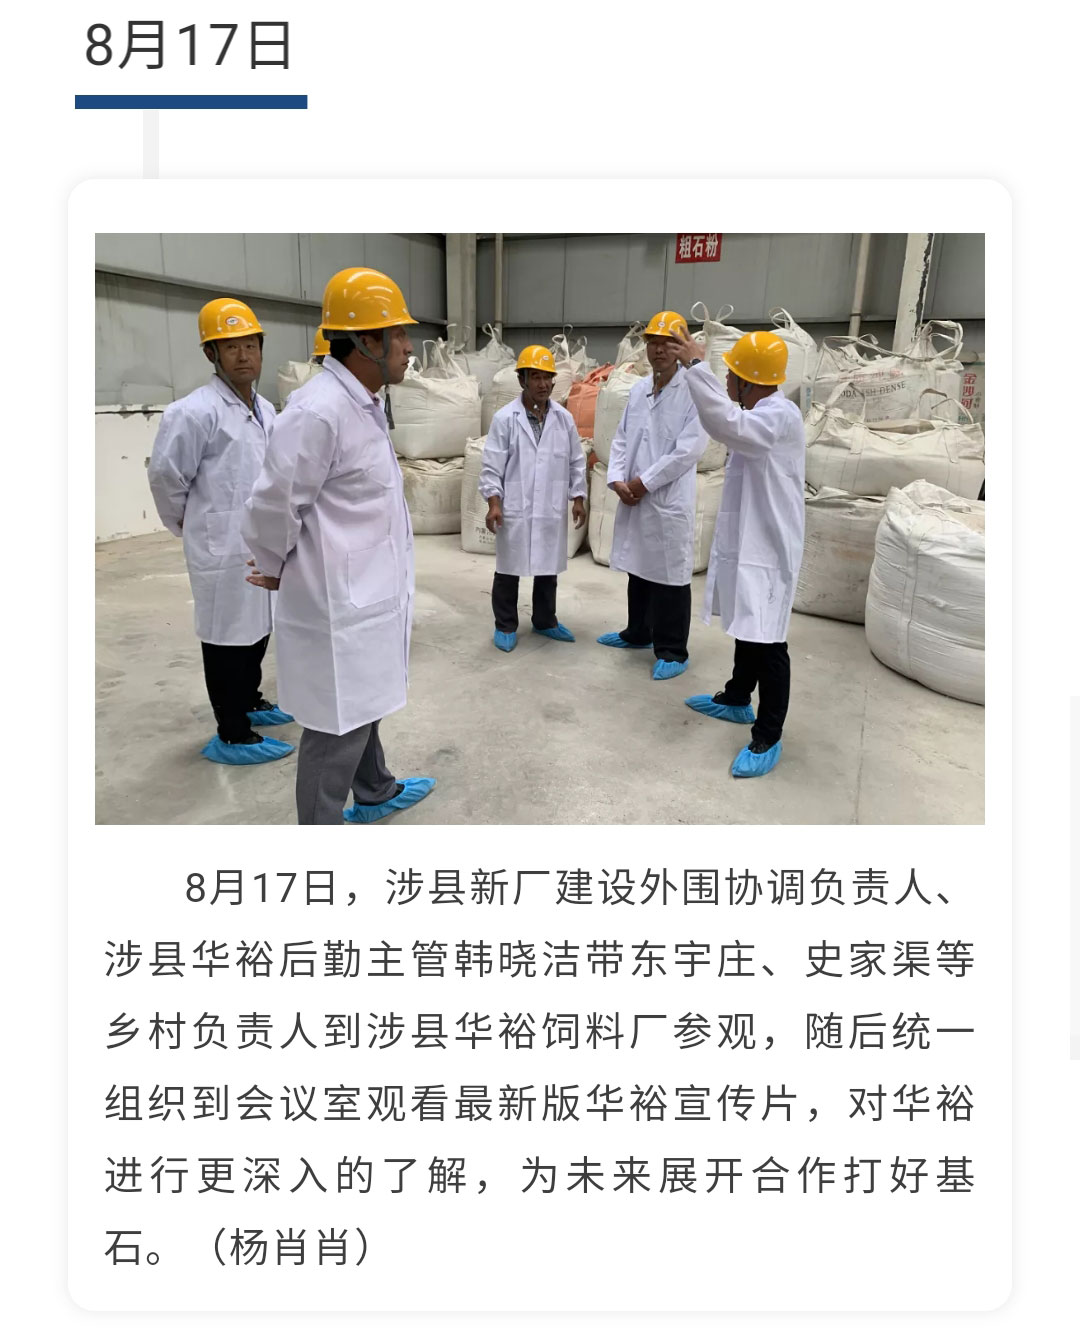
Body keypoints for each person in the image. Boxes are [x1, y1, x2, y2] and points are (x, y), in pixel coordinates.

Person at [242, 267, 436, 825]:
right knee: (336, 726)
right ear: (365, 341)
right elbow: (274, 503)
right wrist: (273, 564)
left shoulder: (362, 402)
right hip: (336, 600)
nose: (408, 347)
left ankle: (375, 789)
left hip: (367, 591)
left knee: (363, 700)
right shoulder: (318, 411)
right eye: (398, 335)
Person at [147, 297, 294, 766]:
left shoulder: (266, 409)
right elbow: (166, 477)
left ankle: (249, 700)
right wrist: (186, 522)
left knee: (258, 627)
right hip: (219, 544)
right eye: (231, 347)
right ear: (211, 353)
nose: (243, 355)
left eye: (250, 344)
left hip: (259, 541)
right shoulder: (193, 412)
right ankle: (231, 731)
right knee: (225, 635)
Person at [670, 326, 805, 779]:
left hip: (770, 547)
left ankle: (768, 734)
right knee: (749, 625)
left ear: (748, 380)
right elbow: (731, 421)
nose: (726, 380)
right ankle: (736, 697)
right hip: (753, 541)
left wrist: (695, 366)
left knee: (769, 642)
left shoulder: (778, 416)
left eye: (730, 374)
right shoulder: (761, 411)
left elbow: (726, 423)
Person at [597, 310, 709, 680]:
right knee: (639, 567)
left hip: (666, 499)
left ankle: (673, 650)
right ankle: (638, 632)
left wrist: (644, 483)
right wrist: (617, 479)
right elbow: (622, 438)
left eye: (668, 343)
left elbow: (689, 450)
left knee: (670, 575)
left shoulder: (693, 391)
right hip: (633, 494)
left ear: (683, 346)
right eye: (653, 343)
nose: (659, 350)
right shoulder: (639, 390)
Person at [480, 346, 587, 651]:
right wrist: (494, 503)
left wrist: (578, 497)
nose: (543, 384)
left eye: (547, 377)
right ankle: (505, 625)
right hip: (516, 505)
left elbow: (576, 461)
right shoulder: (505, 419)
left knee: (547, 567)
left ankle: (545, 620)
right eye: (536, 377)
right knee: (508, 569)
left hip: (550, 505)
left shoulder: (564, 419)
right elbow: (492, 465)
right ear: (522, 380)